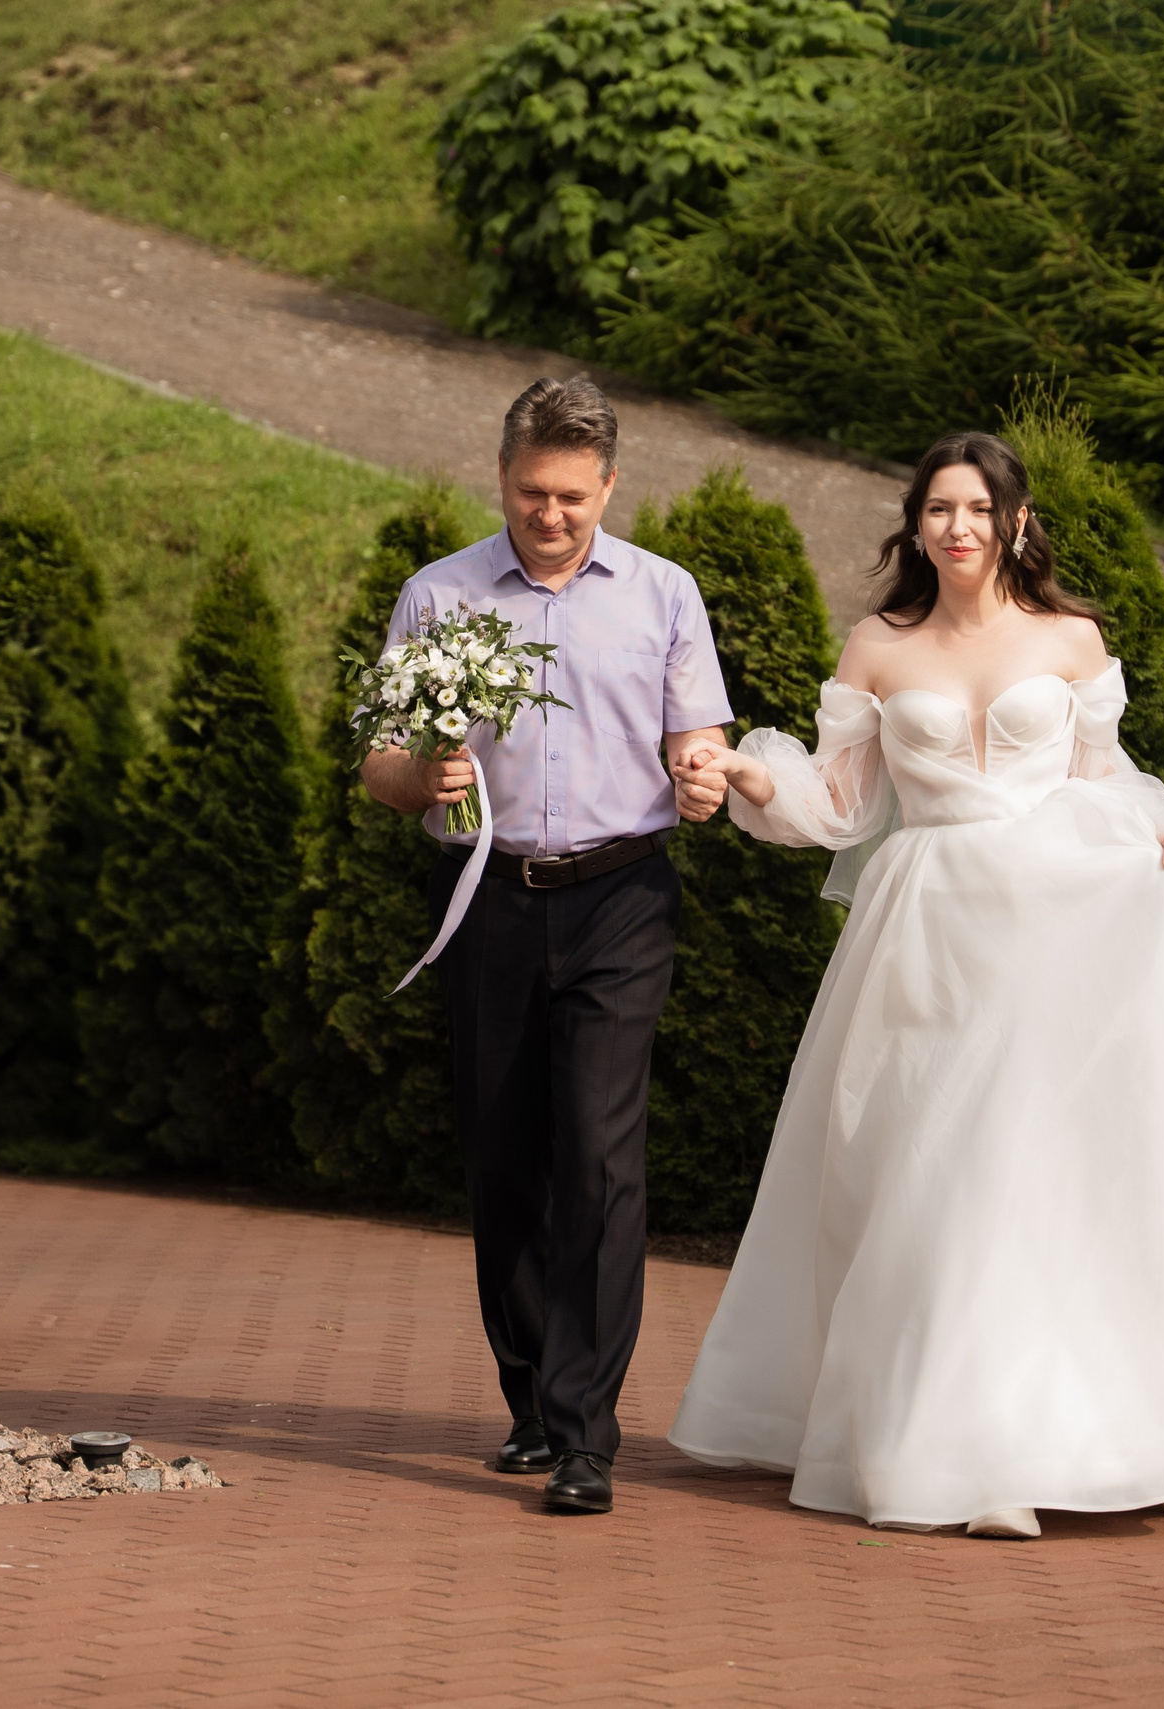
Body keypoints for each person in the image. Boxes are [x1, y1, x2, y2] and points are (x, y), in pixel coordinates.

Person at [665, 432, 1164, 1539]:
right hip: (926, 928)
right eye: (935, 509)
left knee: (1039, 1176)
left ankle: (1098, 1435)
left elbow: (1103, 777)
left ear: (1014, 521)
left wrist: (1155, 837)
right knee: (934, 1176)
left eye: (975, 508)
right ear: (914, 525)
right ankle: (957, 1447)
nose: (954, 526)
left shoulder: (1071, 637)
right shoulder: (878, 642)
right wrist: (753, 772)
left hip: (1056, 923)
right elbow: (839, 803)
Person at [363, 377, 733, 1516]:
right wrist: (415, 776)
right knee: (504, 1153)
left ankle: (585, 1431)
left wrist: (707, 775)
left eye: (574, 495)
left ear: (609, 486)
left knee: (600, 1156)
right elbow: (377, 761)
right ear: (504, 476)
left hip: (621, 894)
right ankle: (529, 1396)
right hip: (487, 894)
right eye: (533, 491)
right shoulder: (439, 596)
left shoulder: (665, 595)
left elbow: (699, 736)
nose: (553, 514)